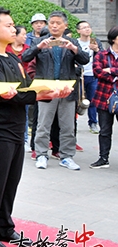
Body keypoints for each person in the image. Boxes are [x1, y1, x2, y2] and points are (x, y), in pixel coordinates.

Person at [0, 7, 69, 247]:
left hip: (15, 128)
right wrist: (37, 94)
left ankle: (4, 225)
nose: (14, 29)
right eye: (9, 25)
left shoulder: (12, 58)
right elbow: (7, 95)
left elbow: (25, 88)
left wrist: (49, 91)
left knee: (10, 180)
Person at [22, 11, 89, 171]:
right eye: (51, 23)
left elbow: (85, 60)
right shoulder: (39, 41)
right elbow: (25, 57)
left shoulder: (71, 42)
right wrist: (39, 47)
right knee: (43, 125)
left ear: (65, 26)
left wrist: (73, 49)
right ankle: (41, 154)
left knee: (67, 126)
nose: (54, 25)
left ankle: (66, 156)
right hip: (46, 89)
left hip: (67, 90)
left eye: (58, 23)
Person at [90, 26, 118, 169]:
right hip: (104, 97)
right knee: (105, 130)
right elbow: (97, 72)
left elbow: (105, 72)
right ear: (113, 39)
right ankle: (103, 158)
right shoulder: (102, 54)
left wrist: (112, 70)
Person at [75, 20, 102, 134]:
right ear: (78, 31)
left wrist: (96, 50)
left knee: (93, 100)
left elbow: (103, 57)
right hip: (79, 75)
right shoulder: (75, 43)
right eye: (84, 27)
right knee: (77, 100)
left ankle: (93, 122)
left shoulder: (95, 42)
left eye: (88, 27)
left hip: (92, 75)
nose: (87, 29)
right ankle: (73, 123)